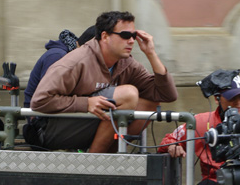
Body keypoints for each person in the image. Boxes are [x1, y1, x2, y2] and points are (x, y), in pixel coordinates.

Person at [31, 11, 178, 152]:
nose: (132, 40)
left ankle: (108, 157)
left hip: (84, 126)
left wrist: (151, 54)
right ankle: (95, 162)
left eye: (134, 35)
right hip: (50, 130)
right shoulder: (76, 62)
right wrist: (86, 103)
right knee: (128, 95)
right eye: (125, 35)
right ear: (105, 36)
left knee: (149, 104)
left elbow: (166, 95)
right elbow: (40, 101)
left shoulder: (126, 63)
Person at [23, 25, 96, 145]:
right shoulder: (58, 56)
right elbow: (49, 96)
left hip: (53, 117)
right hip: (41, 123)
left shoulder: (71, 55)